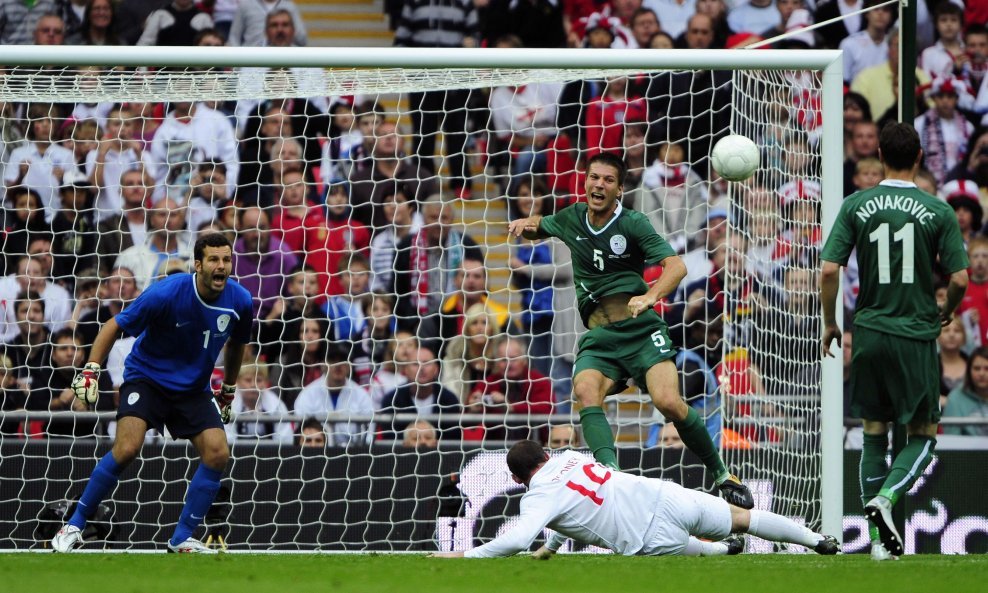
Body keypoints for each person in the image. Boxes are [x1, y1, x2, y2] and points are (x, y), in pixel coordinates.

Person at [507, 152, 754, 510]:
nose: (599, 185)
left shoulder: (634, 223)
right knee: (585, 390)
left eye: (608, 180)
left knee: (668, 401)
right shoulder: (572, 217)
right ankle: (611, 478)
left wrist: (650, 296)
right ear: (586, 181)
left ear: (620, 189)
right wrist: (524, 223)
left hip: (641, 332)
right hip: (600, 339)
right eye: (594, 177)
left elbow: (677, 266)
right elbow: (543, 224)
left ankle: (722, 475)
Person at [819, 122, 970, 561]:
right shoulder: (938, 211)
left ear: (880, 155)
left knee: (873, 433)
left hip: (867, 331)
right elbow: (959, 278)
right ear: (920, 156)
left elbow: (829, 270)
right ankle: (885, 500)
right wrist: (947, 310)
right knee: (922, 434)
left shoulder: (856, 204)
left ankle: (879, 546)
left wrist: (831, 322)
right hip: (914, 332)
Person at [50, 233, 254, 554]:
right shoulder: (166, 293)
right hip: (147, 378)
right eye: (214, 259)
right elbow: (114, 325)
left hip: (192, 389)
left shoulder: (241, 301)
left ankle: (181, 538)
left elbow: (237, 345)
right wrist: (90, 370)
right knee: (127, 448)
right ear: (197, 265)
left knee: (217, 452)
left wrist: (228, 388)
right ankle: (74, 525)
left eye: (226, 259)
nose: (222, 266)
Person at [430, 440, 839, 558]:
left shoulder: (536, 498)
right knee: (742, 518)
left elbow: (518, 540)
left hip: (647, 536)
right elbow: (565, 511)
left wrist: (464, 555)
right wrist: (550, 548)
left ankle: (719, 554)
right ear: (546, 455)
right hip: (663, 494)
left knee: (690, 555)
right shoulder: (571, 456)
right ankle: (818, 540)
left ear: (519, 479)